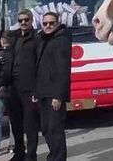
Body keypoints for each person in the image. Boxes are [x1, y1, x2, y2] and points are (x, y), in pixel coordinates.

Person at [35, 12, 72, 161]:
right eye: (45, 24)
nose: (48, 26)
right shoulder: (44, 39)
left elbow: (63, 70)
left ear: (57, 24)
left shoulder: (61, 40)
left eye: (51, 23)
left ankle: (58, 158)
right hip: (43, 92)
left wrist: (58, 95)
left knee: (54, 129)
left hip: (54, 94)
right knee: (46, 129)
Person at [8, 9, 40, 161]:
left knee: (30, 124)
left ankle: (31, 155)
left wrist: (36, 89)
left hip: (29, 87)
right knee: (15, 123)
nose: (23, 23)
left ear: (31, 20)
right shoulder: (13, 37)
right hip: (12, 87)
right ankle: (19, 152)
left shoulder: (37, 38)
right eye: (20, 20)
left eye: (26, 19)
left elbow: (40, 65)